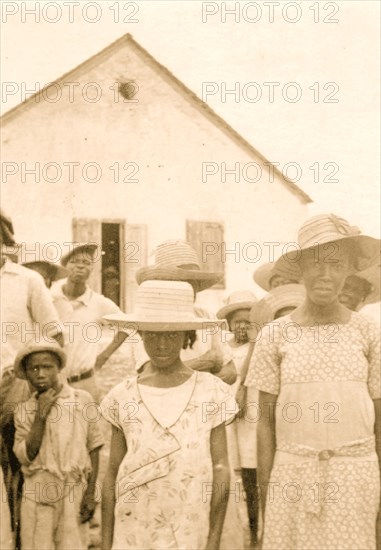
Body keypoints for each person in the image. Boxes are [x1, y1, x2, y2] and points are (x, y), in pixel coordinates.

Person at [245, 213, 381, 550]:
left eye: (336, 265)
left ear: (349, 269)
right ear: (301, 268)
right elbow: (264, 426)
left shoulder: (369, 332)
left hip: (355, 477)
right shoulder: (275, 335)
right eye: (316, 263)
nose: (325, 274)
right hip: (292, 475)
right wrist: (267, 497)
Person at [101, 280, 236, 550]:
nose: (161, 344)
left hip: (189, 525)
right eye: (152, 334)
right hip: (134, 527)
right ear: (140, 334)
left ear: (186, 335)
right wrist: (106, 543)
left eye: (171, 335)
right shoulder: (122, 396)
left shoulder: (211, 391)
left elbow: (220, 468)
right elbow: (113, 471)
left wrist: (213, 540)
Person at [0, 211, 63, 547]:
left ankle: (21, 538)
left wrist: (42, 382)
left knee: (19, 463)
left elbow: (55, 334)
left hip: (17, 384)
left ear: (4, 239)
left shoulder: (27, 280)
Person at [12, 339, 104, 550]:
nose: (41, 374)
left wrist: (91, 493)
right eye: (34, 368)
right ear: (26, 373)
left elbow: (94, 447)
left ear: (59, 368)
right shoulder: (24, 410)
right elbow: (26, 455)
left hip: (74, 491)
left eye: (47, 367)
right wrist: (40, 415)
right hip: (38, 493)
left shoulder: (82, 400)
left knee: (73, 544)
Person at [134, 240, 237, 384]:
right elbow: (151, 376)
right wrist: (206, 361)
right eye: (182, 282)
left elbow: (230, 372)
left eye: (193, 282)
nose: (189, 289)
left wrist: (192, 383)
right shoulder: (148, 319)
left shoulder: (206, 317)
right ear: (165, 284)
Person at [51, 243, 128, 402]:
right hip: (53, 383)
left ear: (92, 270)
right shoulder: (50, 299)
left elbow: (128, 325)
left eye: (86, 263)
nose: (80, 266)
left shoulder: (99, 303)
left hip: (85, 382)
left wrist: (103, 357)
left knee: (88, 425)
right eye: (74, 261)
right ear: (65, 266)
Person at [216, 290, 260, 548]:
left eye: (247, 320)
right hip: (228, 417)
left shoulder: (258, 347)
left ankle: (255, 531)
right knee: (228, 472)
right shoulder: (222, 348)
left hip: (253, 417)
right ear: (230, 323)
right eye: (237, 321)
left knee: (252, 475)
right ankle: (230, 528)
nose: (242, 325)